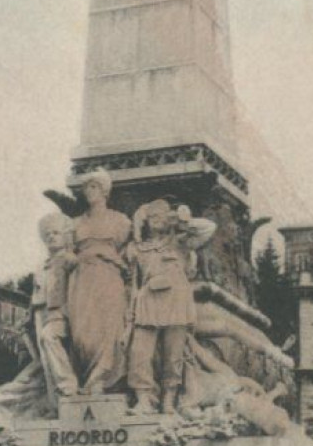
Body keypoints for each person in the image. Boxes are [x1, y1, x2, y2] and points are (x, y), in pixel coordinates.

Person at [127, 199, 215, 414]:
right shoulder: (137, 248)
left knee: (174, 355)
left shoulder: (180, 241)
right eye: (152, 217)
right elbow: (133, 283)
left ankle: (169, 398)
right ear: (145, 221)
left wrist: (184, 221)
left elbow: (209, 229)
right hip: (147, 301)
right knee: (139, 353)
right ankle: (144, 399)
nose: (157, 220)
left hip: (176, 300)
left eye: (162, 216)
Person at [67, 169, 132, 392]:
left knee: (108, 327)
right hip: (82, 279)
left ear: (104, 190)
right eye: (86, 188)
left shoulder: (121, 221)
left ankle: (102, 379)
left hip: (108, 276)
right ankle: (86, 374)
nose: (89, 192)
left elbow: (125, 252)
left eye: (93, 187)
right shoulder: (75, 224)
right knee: (82, 332)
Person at [32, 212, 79, 409]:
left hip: (63, 312)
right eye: (47, 234)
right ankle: (56, 404)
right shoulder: (41, 267)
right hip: (42, 313)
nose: (51, 237)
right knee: (44, 359)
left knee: (49, 337)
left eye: (56, 233)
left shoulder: (70, 259)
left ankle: (68, 385)